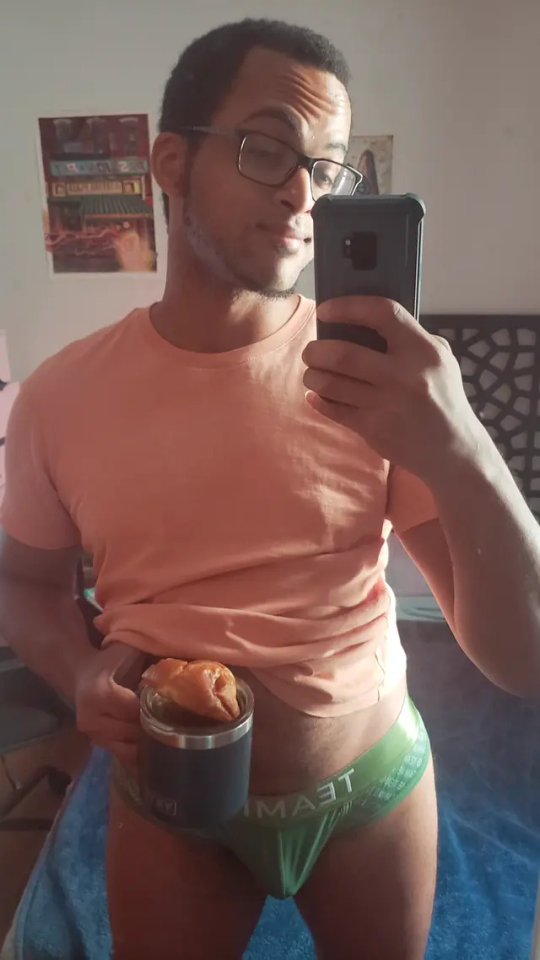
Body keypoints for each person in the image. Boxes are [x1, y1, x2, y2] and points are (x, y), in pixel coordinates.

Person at [1, 18, 540, 960]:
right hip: (172, 804)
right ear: (171, 160)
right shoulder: (60, 395)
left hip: (371, 789)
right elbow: (26, 582)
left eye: (327, 168)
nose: (303, 194)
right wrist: (77, 671)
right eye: (267, 148)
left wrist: (459, 442)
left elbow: (524, 659)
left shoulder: (379, 384)